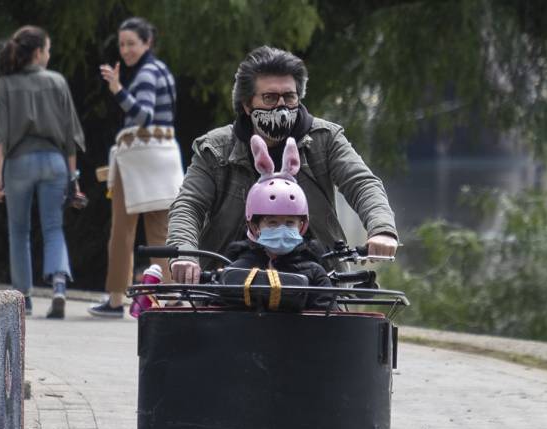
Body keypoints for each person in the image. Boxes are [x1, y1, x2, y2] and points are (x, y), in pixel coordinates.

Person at [167, 46, 398, 285]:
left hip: (318, 278)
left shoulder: (325, 139)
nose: (281, 106)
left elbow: (362, 184)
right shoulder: (213, 148)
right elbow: (189, 205)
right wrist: (185, 253)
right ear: (247, 105)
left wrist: (382, 230)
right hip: (227, 276)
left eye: (289, 97)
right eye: (269, 98)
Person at [0, 25, 84, 318]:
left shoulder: (5, 85)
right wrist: (73, 179)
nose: (49, 54)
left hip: (18, 164)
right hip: (54, 162)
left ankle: (23, 297)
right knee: (53, 227)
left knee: (19, 231)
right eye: (49, 49)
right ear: (39, 52)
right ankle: (57, 285)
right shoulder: (57, 82)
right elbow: (71, 137)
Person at [90, 17, 182, 318]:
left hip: (138, 158)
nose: (126, 49)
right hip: (164, 158)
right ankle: (171, 297)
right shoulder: (162, 70)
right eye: (122, 44)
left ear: (147, 42)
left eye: (131, 43)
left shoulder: (144, 74)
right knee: (162, 232)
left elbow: (143, 115)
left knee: (122, 232)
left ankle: (116, 299)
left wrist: (117, 88)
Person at [224, 135, 333, 308]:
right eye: (272, 223)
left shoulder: (314, 272)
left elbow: (330, 319)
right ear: (254, 226)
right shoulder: (237, 269)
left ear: (302, 226)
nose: (282, 229)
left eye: (290, 223)